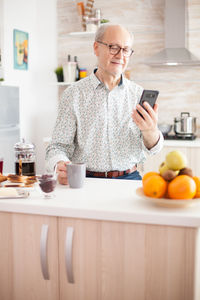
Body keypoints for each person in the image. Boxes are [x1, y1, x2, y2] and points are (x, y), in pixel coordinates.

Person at [46, 24, 163, 185]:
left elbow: (154, 149)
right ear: (96, 48)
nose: (120, 55)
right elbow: (57, 147)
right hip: (85, 180)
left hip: (129, 180)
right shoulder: (73, 94)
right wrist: (59, 164)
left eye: (126, 49)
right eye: (114, 47)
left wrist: (150, 131)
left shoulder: (138, 94)